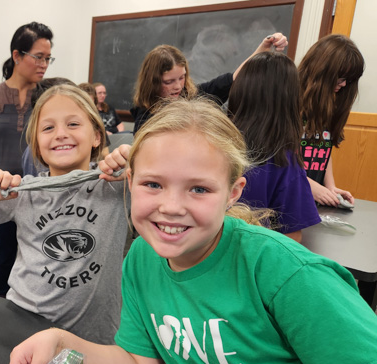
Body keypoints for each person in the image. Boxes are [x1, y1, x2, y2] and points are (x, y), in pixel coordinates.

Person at [7, 98, 377, 364]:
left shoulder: (286, 273)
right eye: (153, 184)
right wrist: (60, 344)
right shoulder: (142, 258)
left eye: (199, 189)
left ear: (233, 193)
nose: (171, 207)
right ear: (130, 182)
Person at [0, 84, 128, 344]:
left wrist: (136, 160)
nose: (61, 134)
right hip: (26, 325)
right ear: (37, 147)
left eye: (73, 124)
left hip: (95, 336)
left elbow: (171, 183)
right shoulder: (26, 191)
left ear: (98, 136)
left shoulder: (116, 187)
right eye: (48, 128)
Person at [0, 21, 54, 297]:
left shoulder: (46, 97)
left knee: (43, 255)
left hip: (41, 192)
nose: (44, 64)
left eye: (48, 58)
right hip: (3, 192)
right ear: (17, 56)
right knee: (4, 255)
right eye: (38, 57)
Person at [229, 51, 320, 242]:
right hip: (251, 259)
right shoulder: (283, 161)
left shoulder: (216, 142)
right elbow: (291, 236)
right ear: (289, 99)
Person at [130, 33, 287, 133]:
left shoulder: (194, 96)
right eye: (169, 81)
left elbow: (233, 78)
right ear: (153, 82)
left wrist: (263, 49)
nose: (178, 86)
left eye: (181, 77)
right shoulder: (146, 115)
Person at [298, 34, 364, 207]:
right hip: (290, 194)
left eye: (348, 81)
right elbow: (279, 155)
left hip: (311, 197)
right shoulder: (290, 104)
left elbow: (323, 147)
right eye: (340, 78)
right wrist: (308, 184)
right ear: (322, 71)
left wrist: (330, 186)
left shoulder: (328, 106)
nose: (343, 85)